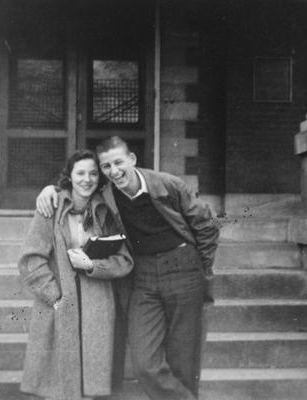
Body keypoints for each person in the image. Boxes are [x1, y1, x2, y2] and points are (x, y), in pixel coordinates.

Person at [36, 136, 220, 400]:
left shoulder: (167, 184)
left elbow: (206, 225)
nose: (115, 171)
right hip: (142, 276)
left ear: (132, 159)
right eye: (107, 167)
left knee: (183, 358)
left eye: (119, 162)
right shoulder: (106, 194)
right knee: (145, 363)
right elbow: (75, 190)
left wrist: (200, 266)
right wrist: (50, 190)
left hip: (183, 267)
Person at [19, 149, 133, 400]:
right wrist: (54, 296)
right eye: (80, 173)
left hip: (97, 305)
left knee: (92, 385)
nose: (87, 179)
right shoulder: (51, 207)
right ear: (69, 176)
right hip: (60, 303)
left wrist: (94, 266)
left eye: (93, 173)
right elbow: (31, 259)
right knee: (57, 385)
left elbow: (124, 260)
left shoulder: (106, 211)